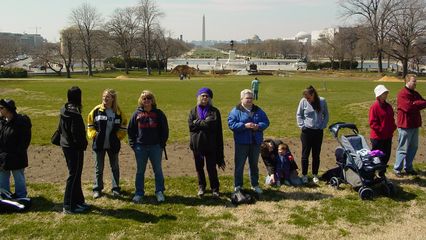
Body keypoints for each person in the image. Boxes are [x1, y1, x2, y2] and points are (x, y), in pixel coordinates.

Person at [128, 90, 169, 203]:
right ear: (141, 100)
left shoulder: (159, 113)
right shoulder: (136, 114)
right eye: (144, 98)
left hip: (155, 147)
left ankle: (159, 191)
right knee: (140, 171)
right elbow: (130, 130)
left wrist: (161, 144)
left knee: (158, 170)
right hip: (140, 147)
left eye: (149, 98)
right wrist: (133, 144)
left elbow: (164, 130)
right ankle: (139, 193)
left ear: (152, 100)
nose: (146, 100)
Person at [87, 89, 128, 199]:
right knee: (98, 168)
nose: (105, 98)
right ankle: (97, 189)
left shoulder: (118, 112)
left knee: (114, 167)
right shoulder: (96, 110)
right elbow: (90, 123)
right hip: (99, 144)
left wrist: (117, 137)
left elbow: (124, 125)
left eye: (108, 97)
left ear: (113, 99)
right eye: (104, 96)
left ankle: (115, 188)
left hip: (113, 145)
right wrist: (94, 135)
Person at [228, 89, 269, 194]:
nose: (250, 100)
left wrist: (258, 126)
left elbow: (266, 122)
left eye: (251, 98)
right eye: (247, 98)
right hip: (242, 142)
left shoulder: (258, 110)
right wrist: (244, 126)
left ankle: (254, 185)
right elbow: (231, 124)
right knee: (239, 165)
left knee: (254, 165)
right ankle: (238, 185)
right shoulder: (235, 111)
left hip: (255, 142)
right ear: (242, 99)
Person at [188, 87, 225, 197]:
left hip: (211, 144)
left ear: (210, 98)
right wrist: (204, 123)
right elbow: (191, 126)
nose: (205, 97)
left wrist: (198, 122)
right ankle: (201, 186)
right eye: (202, 95)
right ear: (198, 97)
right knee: (199, 168)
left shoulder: (214, 111)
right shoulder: (193, 111)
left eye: (207, 96)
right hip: (197, 145)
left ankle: (215, 188)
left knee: (211, 168)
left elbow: (213, 126)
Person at [58, 86, 89, 214]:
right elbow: (77, 133)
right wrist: (83, 144)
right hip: (74, 148)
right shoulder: (74, 113)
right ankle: (68, 205)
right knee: (74, 175)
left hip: (66, 145)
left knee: (76, 175)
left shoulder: (65, 109)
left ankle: (78, 201)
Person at [394, 74, 426, 177]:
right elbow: (407, 108)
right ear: (407, 82)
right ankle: (397, 168)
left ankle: (408, 167)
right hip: (405, 125)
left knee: (414, 147)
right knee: (403, 148)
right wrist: (416, 104)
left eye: (415, 81)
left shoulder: (415, 93)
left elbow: (424, 103)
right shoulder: (402, 94)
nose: (415, 83)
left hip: (415, 124)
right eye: (414, 81)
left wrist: (414, 104)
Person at [296, 85, 329, 184]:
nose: (308, 100)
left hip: (318, 132)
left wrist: (323, 125)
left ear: (313, 94)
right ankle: (305, 175)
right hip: (307, 132)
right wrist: (302, 126)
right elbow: (299, 115)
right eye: (306, 98)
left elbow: (326, 114)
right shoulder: (303, 101)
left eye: (309, 98)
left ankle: (315, 174)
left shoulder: (322, 101)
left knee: (316, 154)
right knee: (305, 154)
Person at [0, 99, 31, 198]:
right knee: (3, 175)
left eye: (1, 108)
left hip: (16, 156)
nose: (0, 110)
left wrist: (18, 152)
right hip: (3, 156)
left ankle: (21, 196)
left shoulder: (21, 122)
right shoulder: (2, 122)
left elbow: (25, 140)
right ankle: (5, 195)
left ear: (8, 109)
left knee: (18, 176)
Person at [369, 85, 397, 175]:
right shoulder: (374, 107)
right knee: (376, 157)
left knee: (386, 155)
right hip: (378, 137)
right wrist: (381, 130)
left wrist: (393, 127)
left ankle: (382, 173)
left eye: (386, 93)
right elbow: (372, 123)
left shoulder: (388, 106)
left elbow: (391, 118)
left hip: (388, 136)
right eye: (384, 93)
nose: (386, 95)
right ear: (379, 95)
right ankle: (373, 173)